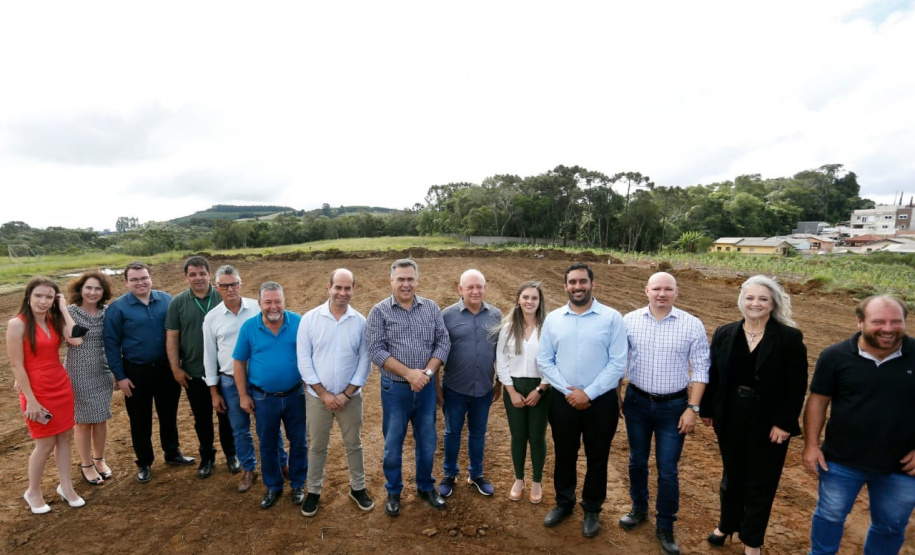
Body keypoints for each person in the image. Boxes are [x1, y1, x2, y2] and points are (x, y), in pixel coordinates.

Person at [699, 275, 808, 555]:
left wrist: (784, 422)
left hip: (768, 421)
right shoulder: (725, 332)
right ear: (741, 301)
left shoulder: (789, 337)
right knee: (732, 475)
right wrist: (708, 409)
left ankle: (752, 540)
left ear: (773, 304)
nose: (755, 303)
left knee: (761, 480)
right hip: (730, 414)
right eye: (750, 298)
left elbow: (796, 385)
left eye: (762, 299)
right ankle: (726, 524)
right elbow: (714, 375)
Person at [803, 295, 915, 555]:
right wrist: (811, 445)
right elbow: (818, 401)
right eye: (879, 321)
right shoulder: (835, 355)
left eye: (896, 322)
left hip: (901, 467)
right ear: (859, 322)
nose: (888, 329)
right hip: (841, 460)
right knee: (829, 516)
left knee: (890, 526)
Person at [618, 272, 710, 555]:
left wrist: (692, 408)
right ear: (646, 290)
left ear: (676, 292)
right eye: (656, 288)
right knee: (637, 460)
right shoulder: (629, 321)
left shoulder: (692, 325)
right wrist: (618, 394)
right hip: (637, 402)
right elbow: (620, 360)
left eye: (667, 289)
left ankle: (666, 525)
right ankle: (639, 508)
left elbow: (701, 368)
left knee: (668, 469)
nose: (662, 294)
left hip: (673, 407)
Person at [537, 262, 628, 538]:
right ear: (565, 286)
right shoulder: (553, 319)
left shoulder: (612, 318)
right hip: (563, 400)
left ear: (592, 284)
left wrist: (588, 393)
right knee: (564, 453)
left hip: (600, 402)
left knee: (597, 457)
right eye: (572, 282)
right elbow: (545, 360)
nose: (578, 286)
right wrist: (569, 391)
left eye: (582, 281)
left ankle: (592, 509)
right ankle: (564, 503)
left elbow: (618, 363)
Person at [366, 259, 451, 517]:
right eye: (400, 279)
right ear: (391, 281)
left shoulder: (431, 308)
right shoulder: (379, 311)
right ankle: (393, 490)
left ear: (417, 280)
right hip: (395, 389)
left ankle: (425, 487)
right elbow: (376, 350)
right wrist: (409, 374)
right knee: (393, 442)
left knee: (427, 439)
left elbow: (443, 343)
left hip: (424, 388)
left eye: (410, 279)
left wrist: (425, 373)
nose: (406, 284)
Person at [104, 262, 194, 483]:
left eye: (144, 278)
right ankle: (144, 462)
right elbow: (111, 345)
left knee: (168, 414)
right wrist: (120, 376)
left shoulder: (166, 300)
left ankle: (172, 453)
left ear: (150, 278)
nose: (140, 282)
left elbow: (178, 332)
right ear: (126, 282)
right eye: (134, 279)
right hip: (135, 372)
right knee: (139, 419)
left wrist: (180, 364)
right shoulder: (118, 309)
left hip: (166, 369)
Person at [203, 265, 287, 493]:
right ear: (217, 287)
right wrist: (213, 391)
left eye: (234, 284)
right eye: (224, 285)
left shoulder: (258, 308)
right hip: (230, 382)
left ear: (240, 283)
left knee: (270, 426)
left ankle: (282, 462)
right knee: (240, 429)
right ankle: (249, 469)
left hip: (260, 380)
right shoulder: (212, 318)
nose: (230, 289)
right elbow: (209, 356)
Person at [297, 268, 374, 517]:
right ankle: (314, 491)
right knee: (317, 446)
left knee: (354, 444)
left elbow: (365, 360)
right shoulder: (309, 319)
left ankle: (358, 488)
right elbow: (303, 360)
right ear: (328, 287)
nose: (342, 292)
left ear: (354, 289)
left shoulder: (361, 322)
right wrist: (324, 394)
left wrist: (347, 393)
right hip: (317, 399)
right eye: (338, 287)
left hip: (350, 399)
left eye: (347, 288)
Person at [8, 277, 85, 513]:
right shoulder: (17, 324)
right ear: (28, 297)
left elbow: (76, 338)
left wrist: (63, 309)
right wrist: (30, 399)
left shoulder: (54, 320)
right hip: (36, 390)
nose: (43, 301)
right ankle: (33, 491)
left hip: (60, 385)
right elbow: (17, 366)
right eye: (39, 296)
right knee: (44, 443)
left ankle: (66, 486)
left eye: (49, 297)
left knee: (64, 438)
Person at [233, 281, 307, 510]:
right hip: (264, 398)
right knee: (267, 444)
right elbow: (239, 362)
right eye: (268, 302)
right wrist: (243, 395)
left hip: (296, 395)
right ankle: (273, 486)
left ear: (284, 301)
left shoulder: (299, 322)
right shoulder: (248, 328)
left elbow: (311, 355)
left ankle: (297, 485)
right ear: (259, 304)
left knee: (299, 442)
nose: (273, 306)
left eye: (277, 301)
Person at [166, 256, 239, 479]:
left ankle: (232, 454)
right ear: (186, 277)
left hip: (224, 371)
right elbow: (172, 337)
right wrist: (176, 369)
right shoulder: (178, 303)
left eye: (202, 273)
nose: (198, 278)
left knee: (227, 416)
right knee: (202, 418)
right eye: (193, 274)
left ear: (210, 275)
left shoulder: (222, 296)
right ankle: (207, 456)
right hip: (194, 372)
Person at [438, 269, 503, 498]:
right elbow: (437, 352)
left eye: (479, 287)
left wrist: (499, 383)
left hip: (483, 388)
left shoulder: (496, 315)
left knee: (478, 432)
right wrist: (437, 387)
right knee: (452, 432)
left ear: (485, 288)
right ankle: (449, 474)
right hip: (454, 388)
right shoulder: (446, 316)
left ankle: (476, 474)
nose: (475, 291)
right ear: (460, 290)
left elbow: (500, 353)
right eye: (470, 287)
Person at [496, 280, 550, 504]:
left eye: (534, 298)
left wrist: (541, 388)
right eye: (525, 297)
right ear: (518, 300)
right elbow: (501, 360)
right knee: (518, 436)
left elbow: (554, 360)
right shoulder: (508, 327)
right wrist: (511, 391)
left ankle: (537, 480)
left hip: (542, 388)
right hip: (515, 386)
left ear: (540, 302)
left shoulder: (548, 327)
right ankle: (519, 479)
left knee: (537, 436)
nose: (529, 301)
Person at [64, 271, 115, 486]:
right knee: (83, 422)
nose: (93, 292)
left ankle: (99, 459)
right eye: (89, 288)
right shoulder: (69, 312)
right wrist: (60, 308)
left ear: (103, 292)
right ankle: (86, 464)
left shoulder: (107, 312)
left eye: (97, 288)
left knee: (101, 418)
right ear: (80, 290)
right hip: (78, 372)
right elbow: (73, 339)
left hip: (102, 371)